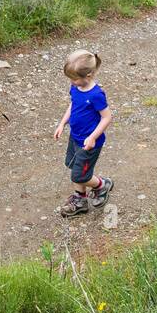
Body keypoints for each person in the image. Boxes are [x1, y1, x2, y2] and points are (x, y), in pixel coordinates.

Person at [52, 50, 114, 218]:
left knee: (81, 175)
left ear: (88, 75)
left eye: (74, 78)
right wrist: (62, 123)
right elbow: (72, 106)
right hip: (76, 137)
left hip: (89, 143)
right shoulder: (76, 88)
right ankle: (80, 200)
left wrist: (93, 137)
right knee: (73, 167)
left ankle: (102, 184)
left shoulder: (96, 95)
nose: (71, 82)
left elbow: (106, 117)